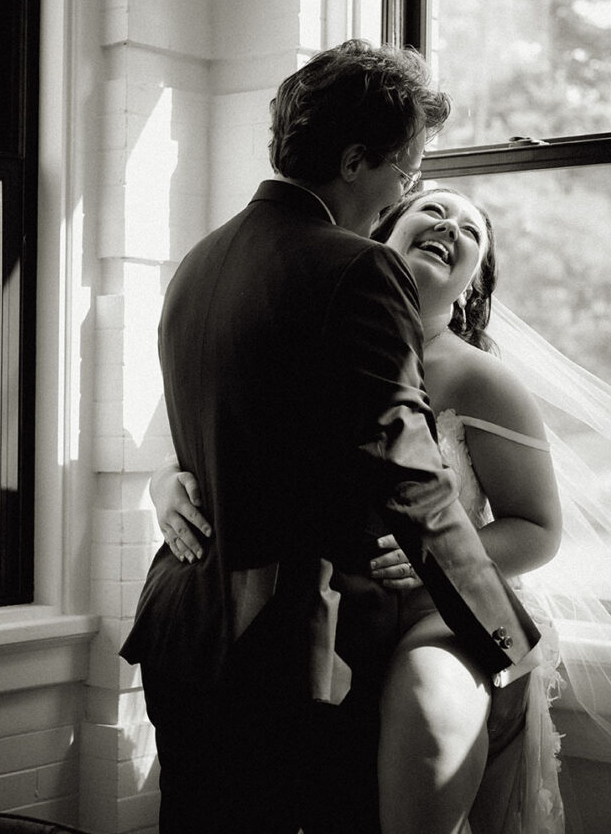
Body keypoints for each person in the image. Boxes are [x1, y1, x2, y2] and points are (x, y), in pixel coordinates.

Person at [119, 41, 541, 834]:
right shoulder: (354, 269)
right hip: (281, 641)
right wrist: (505, 638)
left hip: (184, 625)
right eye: (405, 172)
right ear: (354, 161)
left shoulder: (199, 262)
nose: (403, 188)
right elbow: (407, 474)